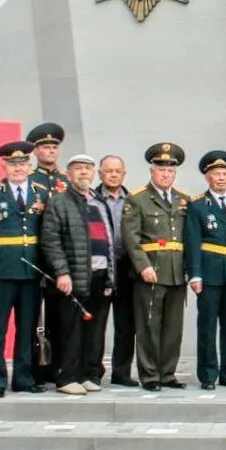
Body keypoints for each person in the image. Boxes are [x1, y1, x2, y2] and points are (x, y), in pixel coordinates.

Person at [0, 141, 49, 398]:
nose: (18, 168)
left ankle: (23, 378)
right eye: (13, 164)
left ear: (29, 166)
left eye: (22, 164)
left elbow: (46, 234)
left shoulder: (40, 192)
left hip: (31, 271)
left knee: (27, 328)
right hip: (1, 271)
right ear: (4, 166)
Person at [38, 153, 110, 396]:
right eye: (78, 168)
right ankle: (67, 376)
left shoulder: (98, 201)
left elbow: (108, 240)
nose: (83, 173)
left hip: (99, 275)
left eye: (88, 169)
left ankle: (88, 374)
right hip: (73, 275)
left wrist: (110, 276)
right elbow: (51, 240)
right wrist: (62, 272)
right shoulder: (60, 201)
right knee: (70, 329)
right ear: (68, 174)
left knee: (94, 329)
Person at [121, 143, 190, 392]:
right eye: (161, 169)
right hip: (151, 271)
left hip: (176, 272)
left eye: (170, 170)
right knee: (149, 326)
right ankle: (149, 375)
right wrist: (142, 266)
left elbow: (189, 239)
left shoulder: (183, 200)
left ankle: (167, 373)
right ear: (152, 171)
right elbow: (131, 237)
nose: (165, 174)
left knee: (173, 328)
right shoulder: (138, 198)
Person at [184, 150, 226, 391]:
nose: (221, 178)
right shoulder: (198, 206)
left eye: (224, 174)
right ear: (208, 178)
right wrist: (195, 274)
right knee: (208, 326)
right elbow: (192, 243)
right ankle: (208, 374)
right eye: (216, 174)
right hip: (209, 274)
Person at [26, 123, 67, 386]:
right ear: (36, 151)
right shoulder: (30, 181)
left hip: (62, 260)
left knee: (60, 316)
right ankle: (35, 368)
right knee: (32, 316)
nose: (50, 150)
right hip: (35, 258)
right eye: (44, 147)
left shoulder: (67, 181)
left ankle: (58, 366)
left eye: (54, 147)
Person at [94, 155, 135, 386]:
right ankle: (94, 370)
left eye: (117, 171)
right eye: (108, 171)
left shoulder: (133, 200)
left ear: (123, 174)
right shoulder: (91, 199)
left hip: (127, 266)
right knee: (97, 322)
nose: (113, 175)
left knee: (126, 324)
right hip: (101, 267)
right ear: (100, 174)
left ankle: (122, 372)